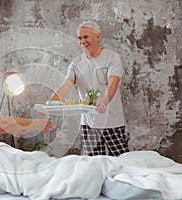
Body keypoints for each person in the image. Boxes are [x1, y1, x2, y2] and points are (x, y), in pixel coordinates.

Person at [48, 21, 129, 156]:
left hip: (111, 121)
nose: (82, 41)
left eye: (86, 37)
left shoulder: (112, 58)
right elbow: (66, 85)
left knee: (121, 159)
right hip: (88, 123)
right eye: (80, 38)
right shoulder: (76, 63)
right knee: (92, 164)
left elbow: (113, 82)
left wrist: (104, 102)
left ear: (98, 37)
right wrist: (49, 103)